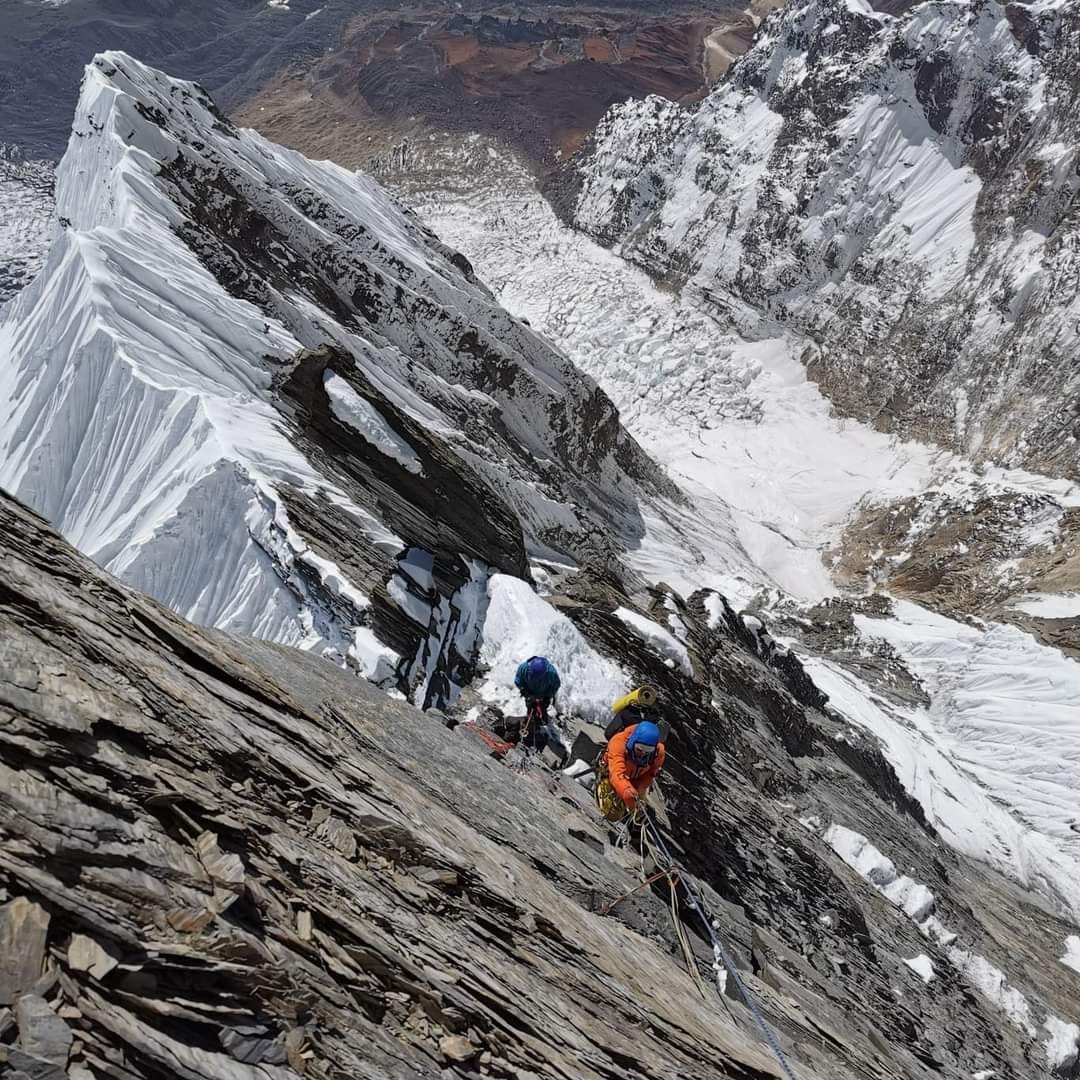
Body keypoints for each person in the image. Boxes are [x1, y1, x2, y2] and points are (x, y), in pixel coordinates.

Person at [596, 718, 666, 822]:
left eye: (647, 751)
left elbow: (650, 775)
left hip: (634, 781)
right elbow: (616, 774)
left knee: (640, 814)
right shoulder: (618, 744)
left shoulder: (658, 753)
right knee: (612, 814)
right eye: (639, 749)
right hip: (610, 776)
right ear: (633, 741)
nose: (642, 753)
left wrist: (639, 789)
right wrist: (627, 791)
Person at [513, 656, 561, 748]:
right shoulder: (523, 668)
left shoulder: (551, 673)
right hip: (529, 693)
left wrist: (547, 697)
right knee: (530, 707)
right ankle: (530, 725)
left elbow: (555, 686)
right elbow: (518, 680)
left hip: (543, 695)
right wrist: (525, 692)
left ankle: (542, 725)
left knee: (541, 710)